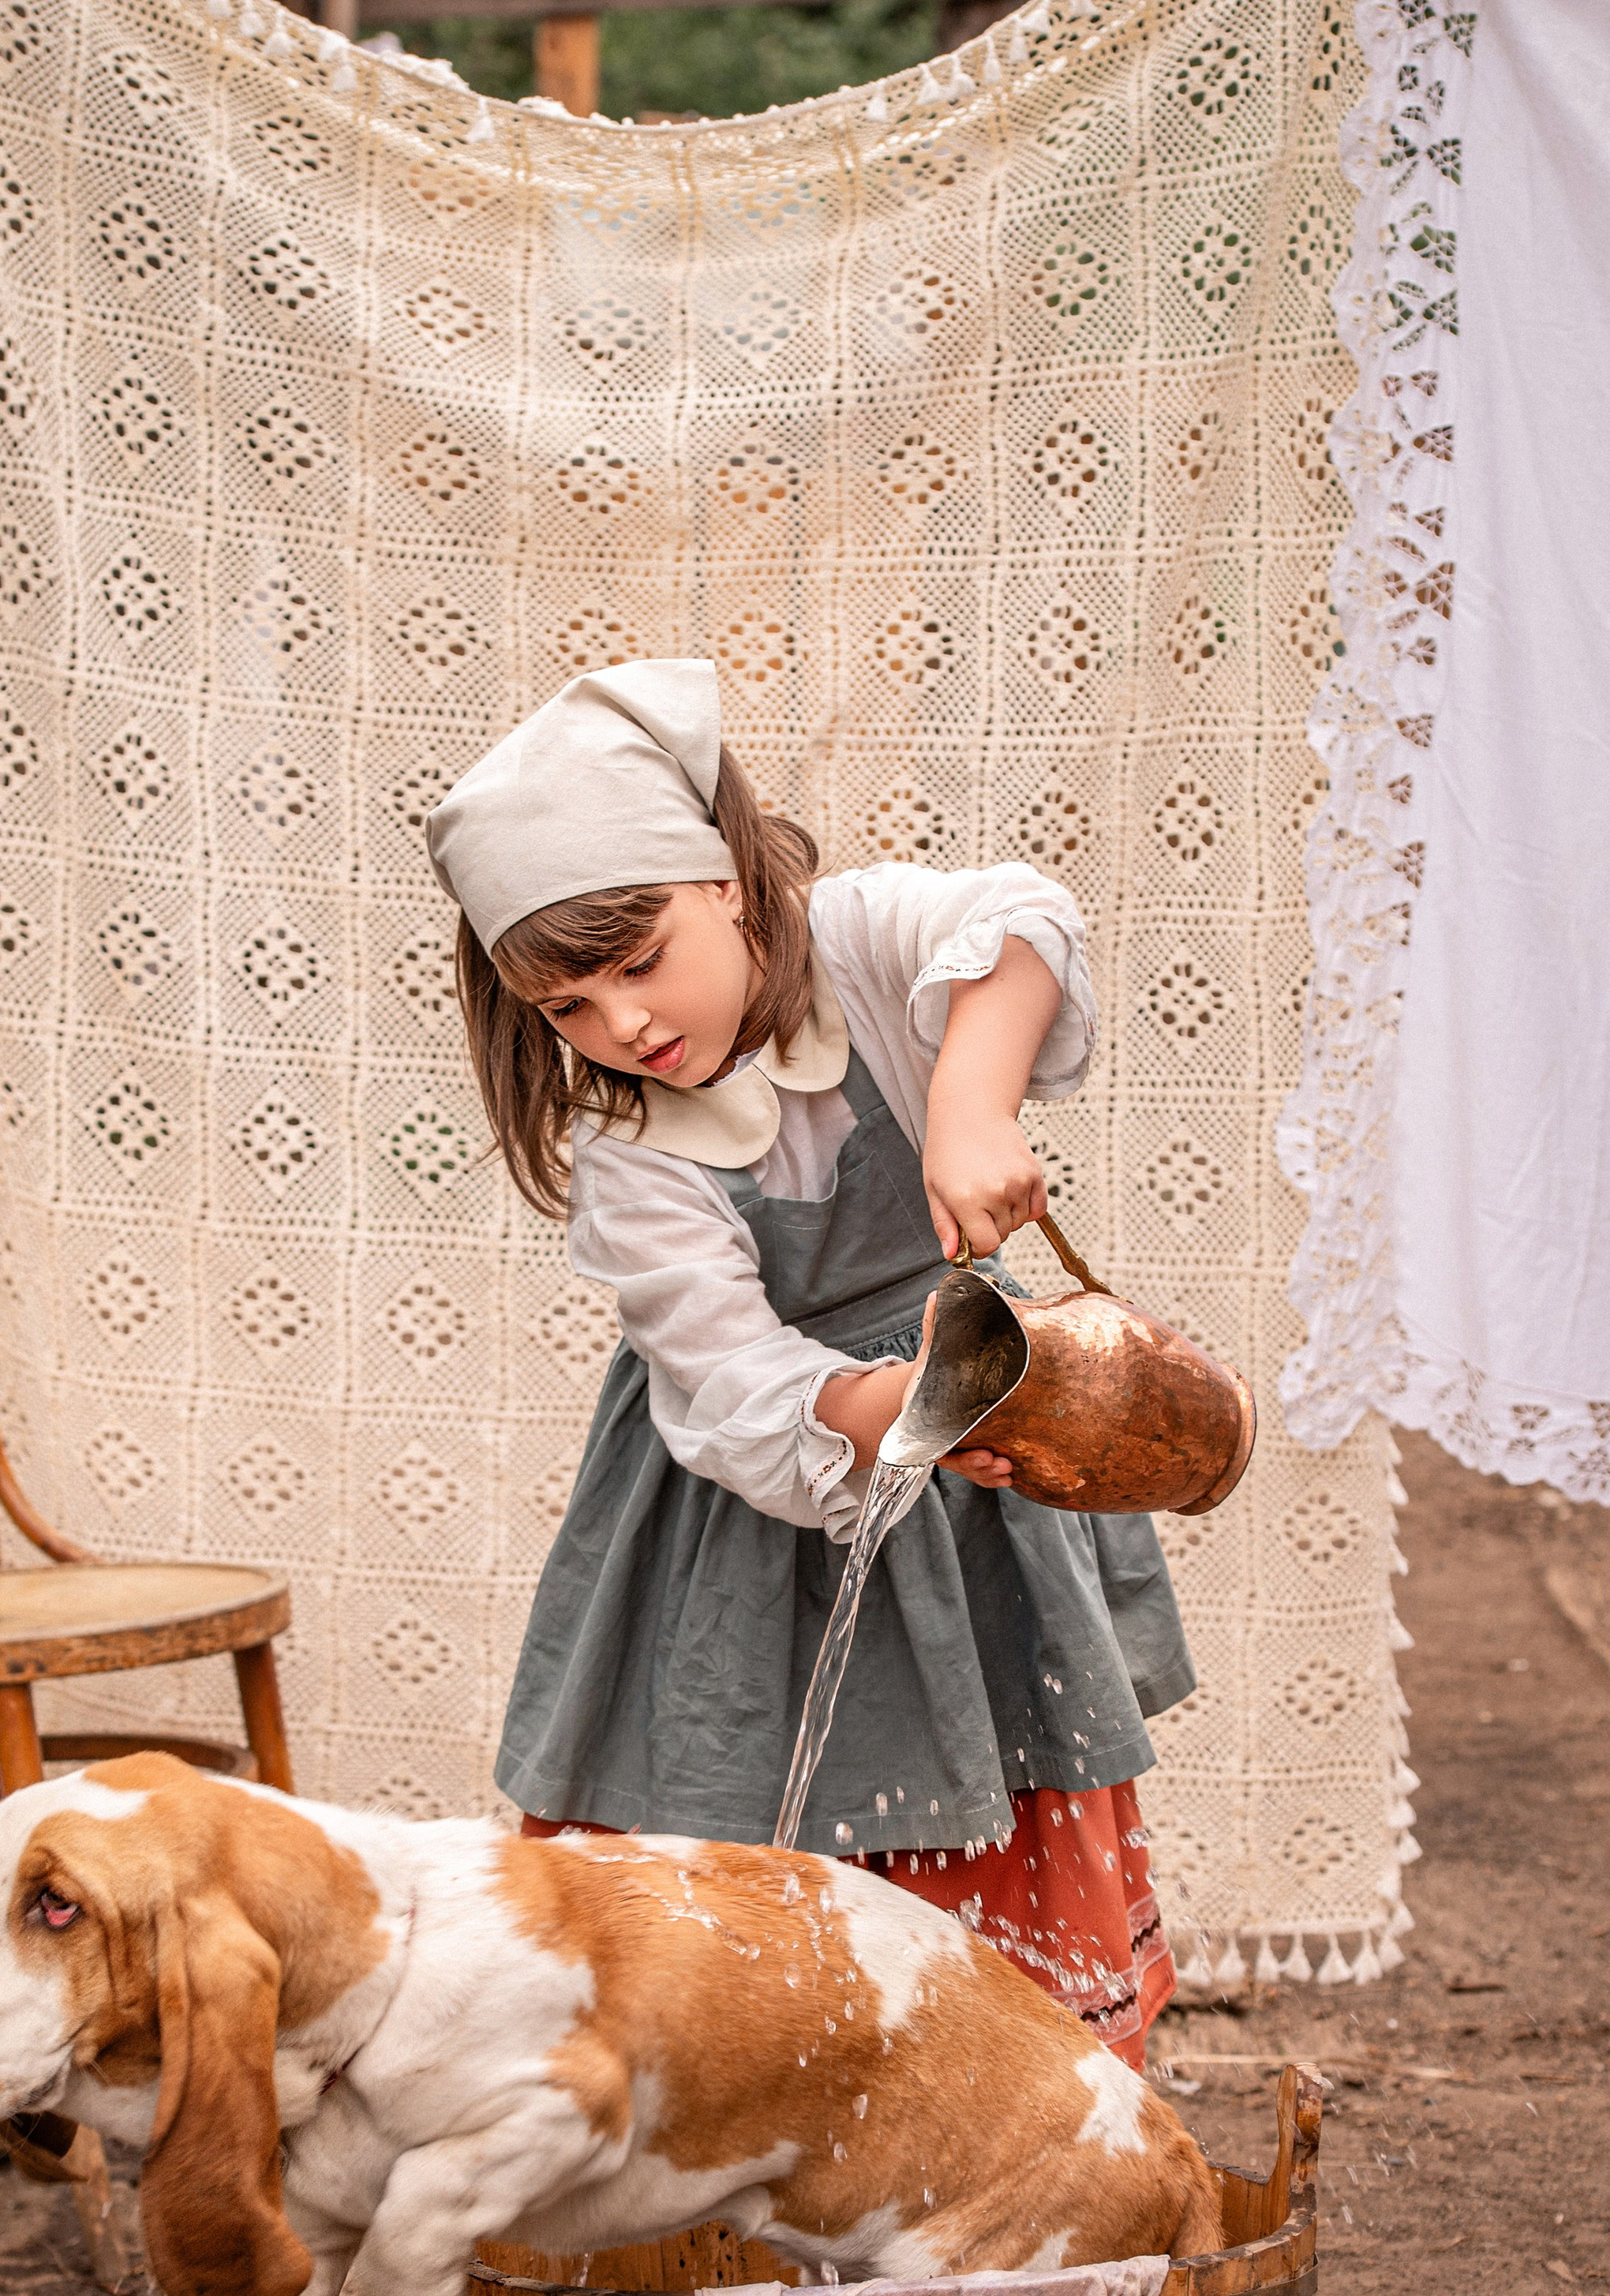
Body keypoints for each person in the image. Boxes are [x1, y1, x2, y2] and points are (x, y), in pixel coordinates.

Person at [425, 659, 1192, 2066]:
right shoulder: (634, 1155)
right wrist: (923, 1404)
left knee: (996, 1754)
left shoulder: (857, 942)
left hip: (977, 1463)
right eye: (568, 1009)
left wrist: (968, 1102)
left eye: (639, 961)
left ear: (719, 877)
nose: (623, 1029)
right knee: (743, 1791)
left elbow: (1018, 917)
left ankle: (993, 2097)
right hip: (761, 1515)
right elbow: (730, 1384)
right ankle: (764, 2115)